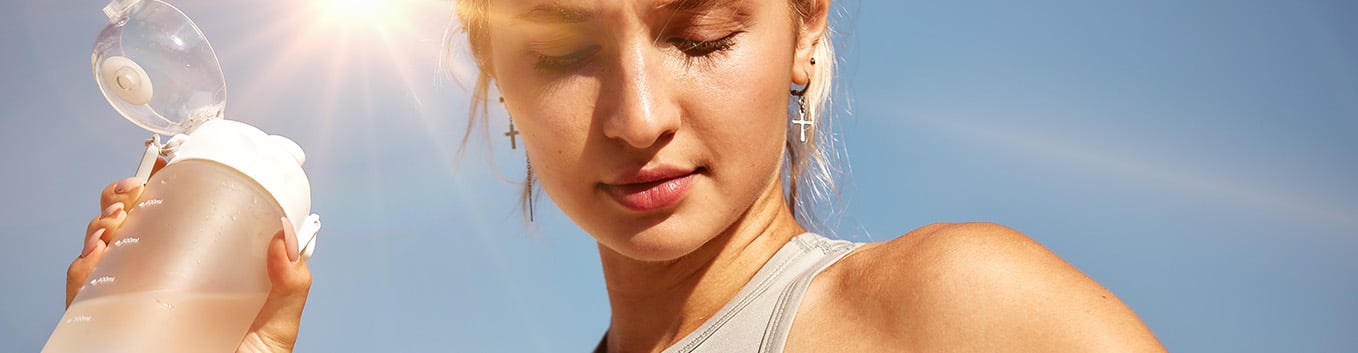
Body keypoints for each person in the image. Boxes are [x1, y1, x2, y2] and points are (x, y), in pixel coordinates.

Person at [67, 0, 1168, 352]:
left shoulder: (950, 312)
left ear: (802, 28)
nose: (638, 118)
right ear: (494, 70)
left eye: (698, 33)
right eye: (562, 54)